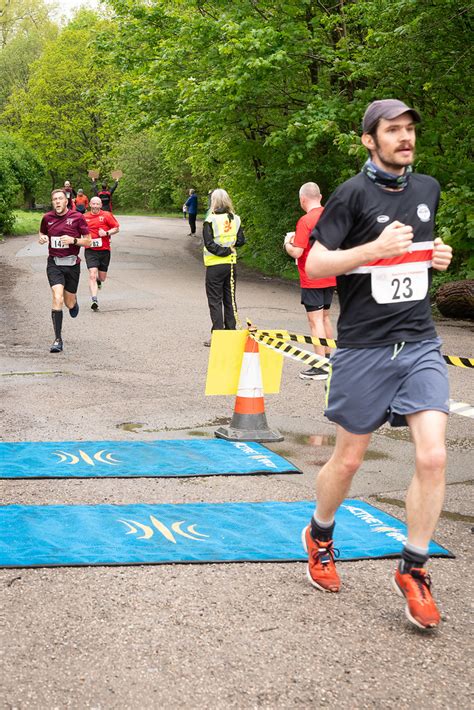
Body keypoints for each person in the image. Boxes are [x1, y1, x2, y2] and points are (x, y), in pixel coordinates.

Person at [302, 99, 453, 630]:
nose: (405, 137)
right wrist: (371, 249)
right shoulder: (350, 195)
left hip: (418, 342)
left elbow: (412, 259)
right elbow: (316, 263)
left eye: (410, 129)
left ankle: (413, 568)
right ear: (370, 139)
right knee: (347, 462)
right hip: (364, 348)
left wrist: (437, 257)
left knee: (432, 457)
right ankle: (320, 533)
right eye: (393, 130)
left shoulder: (428, 188)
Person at [285, 182, 336, 380]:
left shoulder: (305, 220)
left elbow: (297, 251)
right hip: (331, 273)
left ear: (302, 199)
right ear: (320, 196)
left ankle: (320, 365)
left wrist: (287, 243)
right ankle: (330, 359)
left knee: (315, 321)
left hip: (312, 276)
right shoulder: (332, 216)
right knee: (325, 317)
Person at [38, 188, 91, 352]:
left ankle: (74, 303)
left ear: (67, 201)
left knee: (68, 302)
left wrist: (73, 240)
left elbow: (88, 241)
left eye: (60, 199)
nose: (57, 202)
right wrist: (41, 237)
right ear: (52, 202)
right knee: (57, 297)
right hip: (54, 264)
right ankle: (57, 340)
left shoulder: (77, 217)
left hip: (72, 265)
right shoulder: (47, 218)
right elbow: (42, 232)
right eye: (55, 199)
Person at [202, 188, 245, 345]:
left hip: (215, 265)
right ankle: (231, 332)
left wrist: (223, 251)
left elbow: (209, 244)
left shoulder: (210, 220)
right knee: (230, 299)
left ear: (213, 201)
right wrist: (230, 249)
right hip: (231, 265)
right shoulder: (236, 219)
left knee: (215, 300)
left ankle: (218, 335)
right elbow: (241, 240)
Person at [84, 196, 120, 311]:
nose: (95, 206)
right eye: (93, 204)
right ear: (90, 204)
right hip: (90, 251)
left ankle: (99, 281)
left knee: (102, 277)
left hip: (104, 250)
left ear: (100, 205)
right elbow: (77, 230)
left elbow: (116, 228)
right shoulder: (84, 217)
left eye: (97, 204)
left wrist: (106, 233)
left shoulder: (107, 215)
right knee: (92, 274)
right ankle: (94, 300)